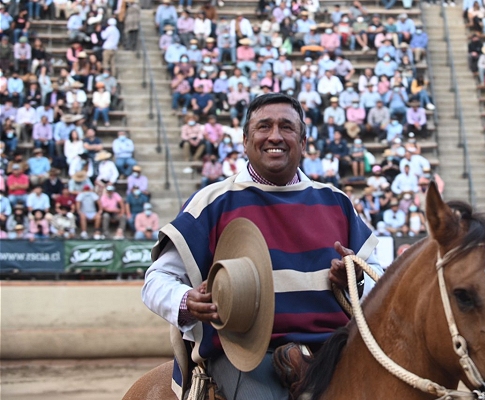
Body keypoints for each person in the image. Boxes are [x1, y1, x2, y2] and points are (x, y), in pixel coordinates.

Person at [142, 94, 381, 400]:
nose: (275, 136)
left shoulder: (338, 202)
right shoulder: (212, 202)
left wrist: (355, 278)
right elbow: (155, 281)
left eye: (286, 127)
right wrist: (187, 301)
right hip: (244, 356)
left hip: (335, 351)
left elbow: (379, 278)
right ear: (245, 140)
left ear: (304, 141)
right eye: (263, 127)